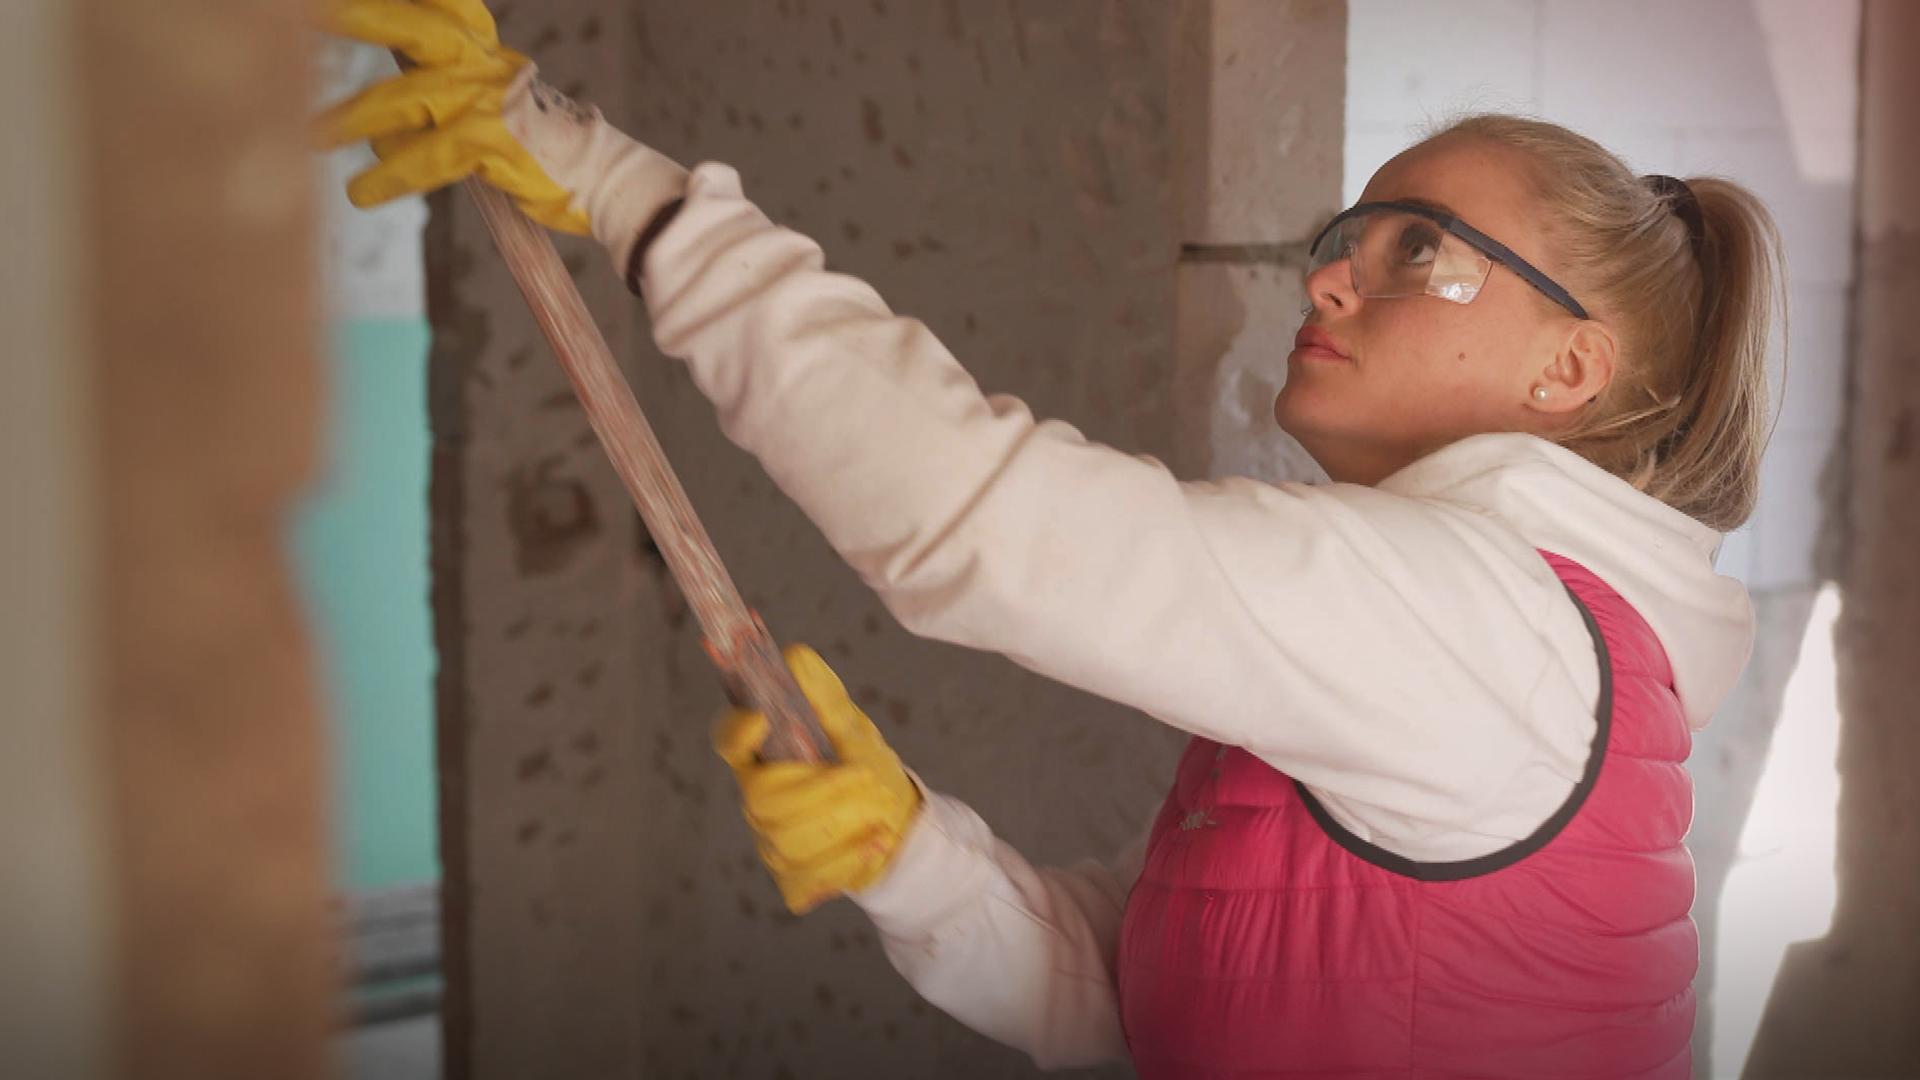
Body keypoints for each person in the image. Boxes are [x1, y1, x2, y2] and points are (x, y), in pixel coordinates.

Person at [321, 3, 1783, 1075]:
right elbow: (1144, 1013)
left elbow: (974, 512)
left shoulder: (1486, 629)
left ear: (1568, 373)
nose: (1331, 279)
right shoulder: (1487, 647)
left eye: (1420, 251)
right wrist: (914, 856)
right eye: (1350, 233)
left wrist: (616, 186)